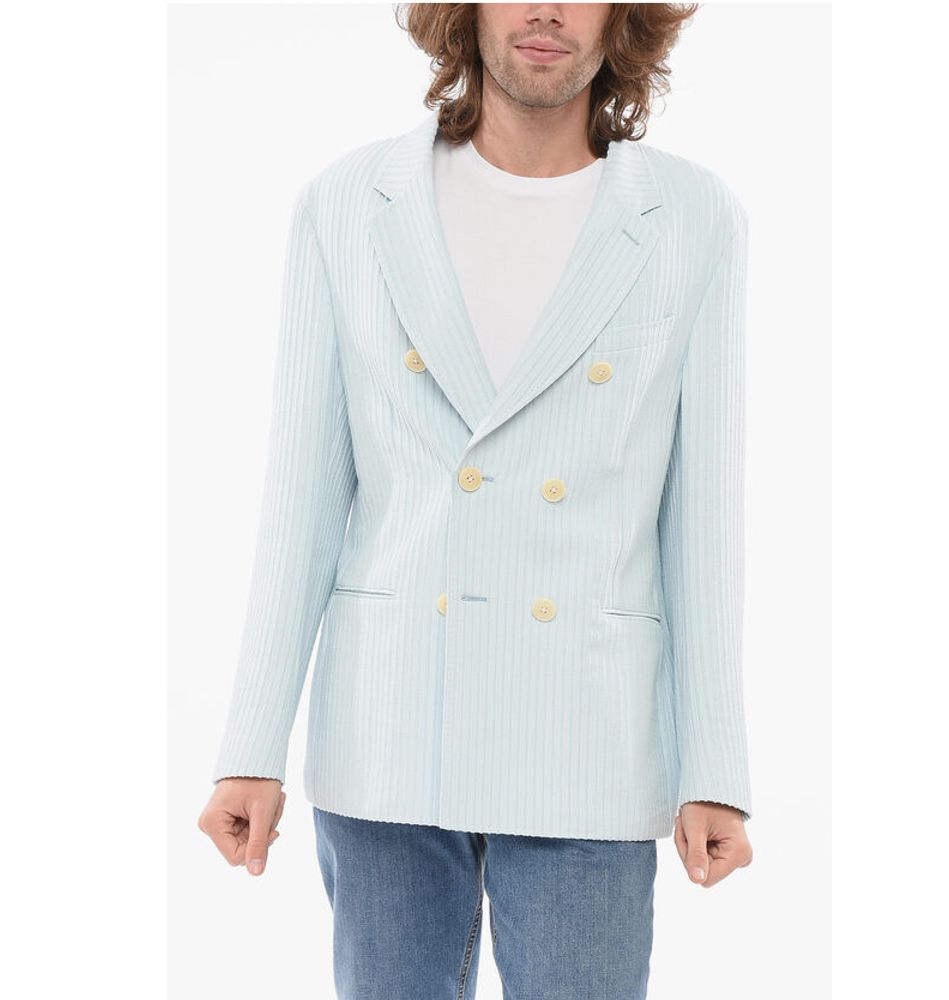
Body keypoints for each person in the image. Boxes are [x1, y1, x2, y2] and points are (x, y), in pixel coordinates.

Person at [198, 4, 754, 997]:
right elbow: (300, 498)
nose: (546, 10)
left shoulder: (691, 217)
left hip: (588, 734)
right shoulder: (347, 203)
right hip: (390, 725)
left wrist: (714, 767)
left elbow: (703, 519)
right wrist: (251, 746)